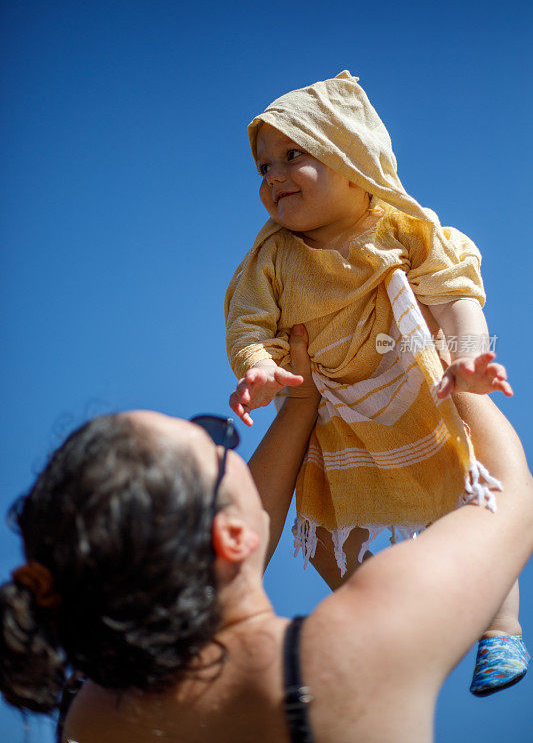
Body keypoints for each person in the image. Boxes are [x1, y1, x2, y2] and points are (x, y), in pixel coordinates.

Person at [0, 331, 532, 743]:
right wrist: (439, 360)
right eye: (215, 439)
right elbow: (513, 500)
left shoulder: (92, 717)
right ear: (228, 536)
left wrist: (302, 404)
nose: (230, 444)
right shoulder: (352, 649)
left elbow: (229, 552)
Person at [225, 70, 529, 694]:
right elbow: (250, 322)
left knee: (474, 493)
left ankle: (501, 628)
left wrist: (469, 359)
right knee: (342, 537)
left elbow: (454, 295)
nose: (274, 177)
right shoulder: (273, 257)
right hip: (336, 418)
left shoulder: (401, 227)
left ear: (350, 159)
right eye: (262, 168)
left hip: (423, 390)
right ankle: (380, 646)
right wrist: (258, 368)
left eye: (292, 155)